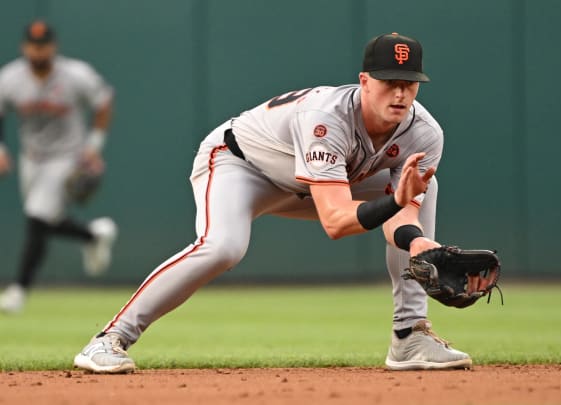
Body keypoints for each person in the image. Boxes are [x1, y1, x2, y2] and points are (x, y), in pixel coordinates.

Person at [74, 32, 482, 373]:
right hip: (242, 165)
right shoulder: (328, 118)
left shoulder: (424, 133)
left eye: (409, 83)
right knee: (223, 246)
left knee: (427, 190)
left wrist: (416, 243)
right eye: (388, 81)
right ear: (364, 81)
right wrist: (395, 201)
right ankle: (109, 339)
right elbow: (337, 222)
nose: (399, 92)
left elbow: (402, 212)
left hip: (321, 182)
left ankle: (409, 335)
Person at [0, 20, 117, 314]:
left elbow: (104, 100)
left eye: (44, 44)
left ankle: (18, 290)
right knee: (46, 220)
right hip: (32, 158)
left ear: (53, 46)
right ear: (24, 46)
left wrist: (94, 146)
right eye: (33, 45)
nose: (38, 50)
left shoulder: (75, 74)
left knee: (37, 216)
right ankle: (93, 235)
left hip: (67, 156)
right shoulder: (11, 78)